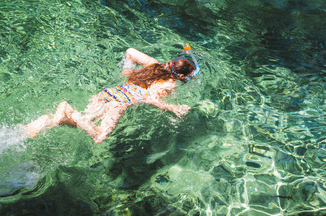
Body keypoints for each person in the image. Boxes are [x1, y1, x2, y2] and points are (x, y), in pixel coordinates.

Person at [23, 46, 199, 143]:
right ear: (181, 76)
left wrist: (127, 71)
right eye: (188, 77)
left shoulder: (153, 64)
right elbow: (151, 98)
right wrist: (172, 107)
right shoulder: (170, 84)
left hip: (108, 93)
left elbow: (130, 51)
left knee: (78, 121)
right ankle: (71, 112)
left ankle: (51, 120)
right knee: (100, 136)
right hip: (120, 103)